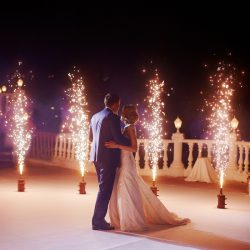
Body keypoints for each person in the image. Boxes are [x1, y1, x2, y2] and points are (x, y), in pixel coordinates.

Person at [106, 104, 190, 231]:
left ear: (126, 114)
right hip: (124, 160)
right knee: (125, 188)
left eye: (123, 112)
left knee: (127, 188)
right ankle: (125, 218)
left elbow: (134, 148)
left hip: (127, 160)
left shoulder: (130, 128)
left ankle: (131, 220)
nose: (121, 114)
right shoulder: (128, 127)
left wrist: (116, 145)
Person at [89, 93, 130, 230]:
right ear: (115, 104)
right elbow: (118, 138)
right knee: (104, 190)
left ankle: (99, 219)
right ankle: (98, 221)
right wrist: (131, 141)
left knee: (103, 189)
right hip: (107, 158)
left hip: (96, 157)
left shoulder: (95, 116)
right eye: (118, 104)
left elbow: (91, 138)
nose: (118, 107)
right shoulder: (113, 117)